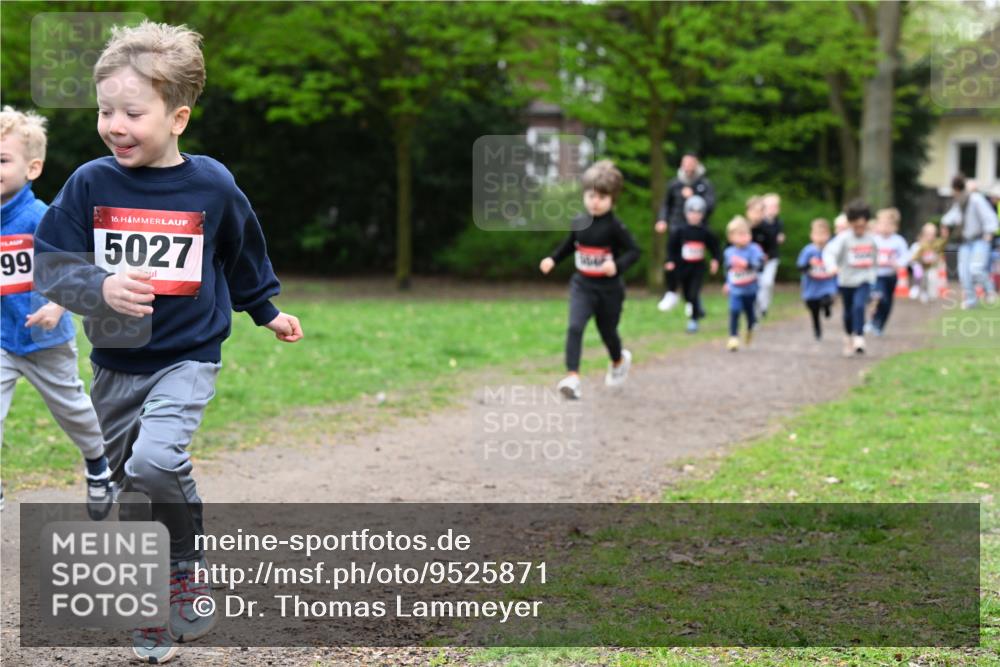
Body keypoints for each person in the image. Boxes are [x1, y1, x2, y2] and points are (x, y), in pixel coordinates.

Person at [33, 22, 304, 663]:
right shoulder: (90, 183)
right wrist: (98, 288)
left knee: (155, 462)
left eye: (132, 112)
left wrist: (264, 309)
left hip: (187, 356)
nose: (114, 125)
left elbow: (240, 252)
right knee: (131, 487)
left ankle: (184, 563)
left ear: (177, 116)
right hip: (115, 363)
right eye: (105, 111)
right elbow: (51, 264)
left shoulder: (210, 185)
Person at [0, 106, 113, 518]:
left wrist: (56, 304)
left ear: (32, 168)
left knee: (75, 412)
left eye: (2, 160)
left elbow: (74, 270)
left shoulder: (41, 218)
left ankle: (99, 466)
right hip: (1, 340)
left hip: (46, 339)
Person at [541, 159, 639, 400]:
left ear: (612, 200)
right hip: (583, 285)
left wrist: (615, 266)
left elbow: (634, 251)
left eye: (601, 198)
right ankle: (572, 377)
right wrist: (553, 259)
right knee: (575, 327)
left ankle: (618, 360)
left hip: (609, 290)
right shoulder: (579, 221)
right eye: (591, 196)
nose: (595, 202)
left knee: (608, 332)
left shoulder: (615, 227)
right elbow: (569, 246)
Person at [654, 153, 715, 311]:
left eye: (691, 163)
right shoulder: (674, 184)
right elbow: (666, 205)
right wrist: (662, 220)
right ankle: (672, 292)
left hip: (696, 232)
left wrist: (693, 197)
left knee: (693, 266)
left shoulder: (704, 184)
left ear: (696, 164)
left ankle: (691, 299)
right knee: (672, 262)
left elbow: (710, 205)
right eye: (685, 163)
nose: (688, 166)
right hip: (676, 228)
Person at [823, 200, 877, 356]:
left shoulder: (871, 239)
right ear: (850, 223)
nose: (859, 230)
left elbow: (875, 258)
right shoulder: (843, 238)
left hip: (864, 279)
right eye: (856, 226)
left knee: (859, 306)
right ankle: (848, 335)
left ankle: (859, 336)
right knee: (848, 311)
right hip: (846, 280)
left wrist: (874, 276)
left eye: (862, 226)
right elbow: (829, 252)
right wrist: (831, 267)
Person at [941, 174, 998, 308]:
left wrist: (989, 232)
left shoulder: (975, 199)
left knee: (975, 269)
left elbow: (989, 217)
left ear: (956, 189)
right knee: (964, 272)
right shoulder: (960, 201)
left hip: (980, 240)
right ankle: (971, 301)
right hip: (965, 242)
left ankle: (990, 291)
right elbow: (952, 216)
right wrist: (944, 224)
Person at [665, 195, 720, 333]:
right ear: (686, 213)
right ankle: (698, 308)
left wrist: (715, 260)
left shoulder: (706, 231)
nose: (695, 216)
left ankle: (693, 320)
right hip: (683, 268)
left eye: (698, 213)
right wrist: (670, 261)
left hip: (698, 268)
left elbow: (715, 248)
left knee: (694, 293)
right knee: (687, 295)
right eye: (692, 212)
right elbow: (672, 247)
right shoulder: (680, 230)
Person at [722, 216, 766, 352]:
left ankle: (749, 328)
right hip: (735, 288)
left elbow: (760, 266)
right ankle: (733, 337)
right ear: (731, 237)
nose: (744, 237)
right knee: (734, 311)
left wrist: (747, 264)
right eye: (740, 235)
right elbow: (728, 270)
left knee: (750, 314)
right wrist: (727, 283)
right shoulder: (729, 252)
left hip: (750, 289)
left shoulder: (754, 249)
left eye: (746, 234)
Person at [869, 207, 910, 335]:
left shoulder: (898, 241)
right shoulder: (873, 239)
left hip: (891, 276)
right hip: (877, 275)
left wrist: (898, 264)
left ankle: (880, 325)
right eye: (882, 223)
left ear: (895, 226)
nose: (885, 227)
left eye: (888, 224)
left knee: (888, 302)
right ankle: (874, 321)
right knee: (880, 298)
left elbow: (905, 256)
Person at [796, 218, 838, 341]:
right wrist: (809, 265)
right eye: (817, 234)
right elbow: (800, 267)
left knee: (826, 299)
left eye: (823, 234)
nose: (820, 237)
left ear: (828, 235)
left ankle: (827, 307)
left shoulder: (832, 249)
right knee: (813, 308)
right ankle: (817, 328)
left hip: (827, 284)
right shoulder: (808, 251)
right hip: (811, 286)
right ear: (811, 235)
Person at [754, 193, 785, 318]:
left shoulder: (778, 223)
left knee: (767, 283)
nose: (773, 209)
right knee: (758, 284)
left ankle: (764, 307)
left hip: (772, 258)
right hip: (758, 259)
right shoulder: (758, 225)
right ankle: (758, 307)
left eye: (775, 206)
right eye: (770, 206)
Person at [908, 222, 946, 303]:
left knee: (931, 277)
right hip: (919, 265)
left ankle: (930, 293)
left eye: (932, 234)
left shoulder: (935, 246)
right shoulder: (918, 245)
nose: (930, 237)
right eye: (928, 234)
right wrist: (921, 260)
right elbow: (913, 258)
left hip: (930, 267)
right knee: (920, 274)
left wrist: (935, 260)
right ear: (923, 234)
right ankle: (917, 288)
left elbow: (939, 257)